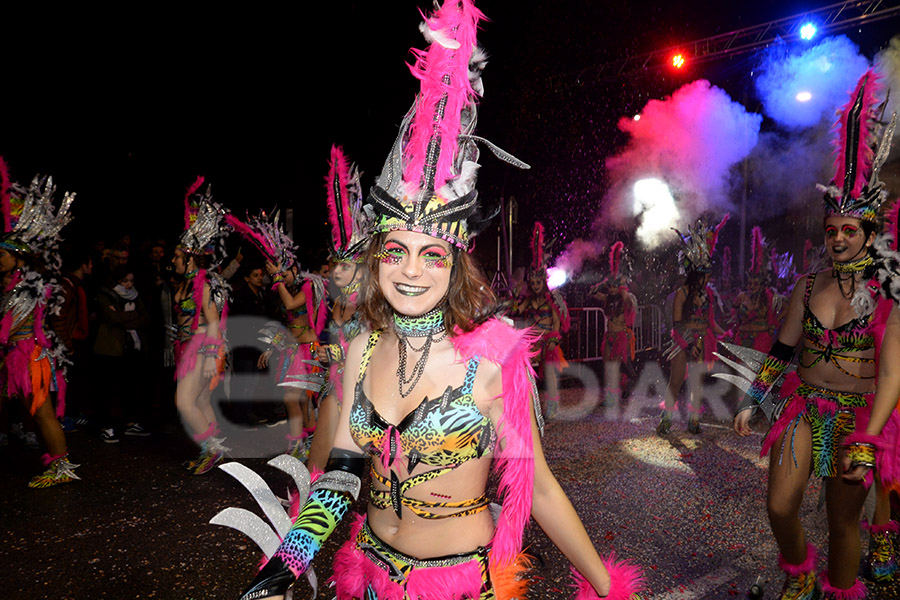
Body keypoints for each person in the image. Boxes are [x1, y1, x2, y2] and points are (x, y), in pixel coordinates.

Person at [236, 2, 645, 599]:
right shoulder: (359, 350)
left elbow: (538, 489)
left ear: (455, 262)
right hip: (370, 577)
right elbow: (340, 479)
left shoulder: (492, 358)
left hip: (460, 584)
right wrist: (283, 566)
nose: (408, 271)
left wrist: (608, 587)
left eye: (430, 254)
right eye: (394, 249)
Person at [733, 71, 900, 600]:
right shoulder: (807, 286)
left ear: (871, 234)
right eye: (831, 230)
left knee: (843, 523)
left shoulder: (887, 292)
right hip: (804, 407)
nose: (838, 238)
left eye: (850, 230)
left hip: (858, 416)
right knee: (780, 504)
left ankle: (840, 589)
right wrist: (755, 398)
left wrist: (871, 443)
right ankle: (800, 572)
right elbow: (783, 348)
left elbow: (893, 373)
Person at [0, 162, 79, 488]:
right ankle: (54, 460)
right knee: (32, 413)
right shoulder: (11, 283)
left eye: (3, 254)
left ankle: (61, 466)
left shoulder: (28, 285)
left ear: (17, 257)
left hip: (28, 356)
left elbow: (10, 325)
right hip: (16, 356)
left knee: (42, 412)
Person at [227, 209, 326, 458]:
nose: (279, 276)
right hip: (293, 350)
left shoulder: (308, 285)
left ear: (295, 269)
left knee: (300, 399)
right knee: (294, 400)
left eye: (286, 271)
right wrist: (274, 346)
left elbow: (293, 305)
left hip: (309, 351)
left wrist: (278, 279)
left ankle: (306, 441)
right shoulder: (287, 288)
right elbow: (287, 322)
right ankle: (302, 443)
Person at [307, 145, 371, 471]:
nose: (336, 272)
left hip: (364, 392)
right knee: (325, 444)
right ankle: (306, 494)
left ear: (361, 268)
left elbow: (376, 352)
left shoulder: (373, 306)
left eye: (344, 267)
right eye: (335, 266)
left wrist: (336, 355)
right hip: (333, 383)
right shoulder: (335, 301)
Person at [172, 178, 232, 475]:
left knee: (184, 402)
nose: (172, 260)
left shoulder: (203, 283)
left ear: (190, 259)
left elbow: (212, 323)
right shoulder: (184, 284)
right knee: (200, 399)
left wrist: (210, 356)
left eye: (176, 256)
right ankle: (213, 451)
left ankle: (211, 449)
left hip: (202, 347)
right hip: (188, 346)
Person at [658, 216, 729, 436]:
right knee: (677, 381)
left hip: (701, 340)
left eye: (708, 275)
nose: (707, 279)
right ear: (695, 274)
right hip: (683, 341)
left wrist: (724, 333)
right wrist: (689, 344)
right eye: (704, 275)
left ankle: (694, 420)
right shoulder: (682, 293)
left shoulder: (708, 294)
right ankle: (666, 419)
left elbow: (709, 321)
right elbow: (677, 324)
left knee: (697, 383)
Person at [515, 222, 569, 419]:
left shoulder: (550, 301)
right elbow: (516, 309)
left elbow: (556, 320)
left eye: (539, 282)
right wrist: (512, 301)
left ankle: (552, 406)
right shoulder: (528, 300)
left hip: (548, 341)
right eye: (534, 283)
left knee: (550, 372)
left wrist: (554, 338)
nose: (536, 286)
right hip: (532, 341)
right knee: (526, 373)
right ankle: (528, 405)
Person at [93, 265, 151, 441]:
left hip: (130, 348)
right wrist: (132, 315)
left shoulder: (136, 295)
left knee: (129, 386)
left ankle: (129, 422)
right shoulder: (105, 295)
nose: (128, 285)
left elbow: (146, 318)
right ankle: (107, 426)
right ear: (117, 280)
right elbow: (111, 318)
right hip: (110, 349)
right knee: (108, 388)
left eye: (131, 281)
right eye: (125, 281)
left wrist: (123, 317)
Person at [590, 242, 637, 407]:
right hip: (609, 336)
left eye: (613, 286)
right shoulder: (608, 298)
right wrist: (603, 284)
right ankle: (616, 391)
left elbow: (628, 302)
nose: (610, 288)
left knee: (615, 367)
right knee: (608, 367)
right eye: (609, 286)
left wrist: (622, 286)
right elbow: (593, 292)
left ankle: (613, 396)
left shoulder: (627, 298)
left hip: (621, 337)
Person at [732, 227, 785, 352]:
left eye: (755, 284)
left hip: (761, 340)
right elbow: (733, 315)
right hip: (743, 339)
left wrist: (774, 323)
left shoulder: (769, 296)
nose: (751, 286)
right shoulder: (742, 296)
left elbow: (786, 308)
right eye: (749, 283)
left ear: (762, 285)